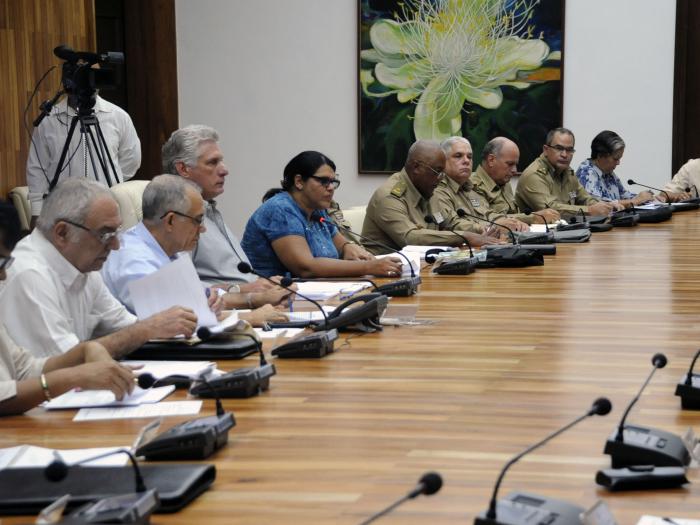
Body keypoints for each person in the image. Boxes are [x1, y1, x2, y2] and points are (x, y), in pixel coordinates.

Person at [0, 178, 197, 359]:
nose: (116, 246)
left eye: (117, 233)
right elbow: (63, 364)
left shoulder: (84, 267)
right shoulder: (29, 275)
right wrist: (146, 329)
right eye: (105, 235)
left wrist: (158, 326)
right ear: (62, 233)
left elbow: (124, 326)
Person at [0, 200, 137, 415]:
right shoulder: (29, 273)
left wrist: (84, 352)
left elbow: (23, 369)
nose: (3, 275)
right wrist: (75, 376)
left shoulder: (85, 267)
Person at [101, 175, 287, 326]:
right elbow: (174, 321)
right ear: (170, 220)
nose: (203, 229)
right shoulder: (134, 260)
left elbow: (201, 297)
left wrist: (251, 299)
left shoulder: (168, 250)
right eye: (198, 220)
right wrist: (249, 318)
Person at [163, 125, 291, 305]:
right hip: (230, 309)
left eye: (221, 161)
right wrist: (240, 290)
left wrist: (263, 284)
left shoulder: (209, 209)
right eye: (212, 162)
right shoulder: (179, 217)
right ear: (183, 169)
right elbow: (182, 288)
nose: (224, 170)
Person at [241, 151, 402, 278]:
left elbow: (342, 246)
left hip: (315, 294)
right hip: (273, 297)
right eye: (323, 181)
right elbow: (306, 268)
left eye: (333, 182)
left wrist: (349, 247)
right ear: (299, 181)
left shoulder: (317, 209)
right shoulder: (280, 209)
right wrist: (368, 267)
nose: (330, 188)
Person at [361, 140, 500, 255]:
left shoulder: (428, 190)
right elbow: (409, 238)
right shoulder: (390, 197)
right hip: (384, 270)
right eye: (437, 172)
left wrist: (481, 231)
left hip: (424, 265)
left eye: (442, 173)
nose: (441, 178)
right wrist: (465, 237)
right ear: (416, 167)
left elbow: (450, 223)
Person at [27, 86, 140, 219]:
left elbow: (131, 160)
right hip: (62, 210)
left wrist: (108, 180)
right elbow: (37, 168)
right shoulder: (48, 119)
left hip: (107, 208)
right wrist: (37, 211)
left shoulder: (118, 116)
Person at [434, 136, 531, 240]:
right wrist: (492, 227)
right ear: (442, 161)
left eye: (469, 157)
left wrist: (511, 222)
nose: (466, 161)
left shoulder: (468, 188)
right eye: (458, 156)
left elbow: (487, 213)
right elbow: (452, 224)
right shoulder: (437, 190)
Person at [515, 128, 620, 216]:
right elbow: (551, 209)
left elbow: (585, 199)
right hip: (537, 233)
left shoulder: (568, 172)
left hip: (565, 231)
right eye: (559, 148)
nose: (564, 155)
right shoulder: (534, 174)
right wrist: (589, 210)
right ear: (546, 150)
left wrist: (607, 206)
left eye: (569, 150)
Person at [470, 137, 560, 225]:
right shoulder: (472, 185)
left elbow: (513, 215)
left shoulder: (504, 183)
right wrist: (533, 218)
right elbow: (486, 219)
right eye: (510, 164)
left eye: (515, 164)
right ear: (491, 160)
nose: (514, 170)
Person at [575, 131, 653, 208]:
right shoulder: (586, 173)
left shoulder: (607, 171)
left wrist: (647, 197)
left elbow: (624, 196)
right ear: (600, 156)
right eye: (615, 159)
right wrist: (636, 201)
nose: (618, 163)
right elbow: (599, 205)